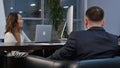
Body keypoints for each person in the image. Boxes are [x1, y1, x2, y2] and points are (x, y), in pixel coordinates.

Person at [48, 6, 118, 60]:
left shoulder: (77, 36)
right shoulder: (114, 39)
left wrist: (43, 61)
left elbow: (58, 56)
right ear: (103, 22)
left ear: (85, 21)